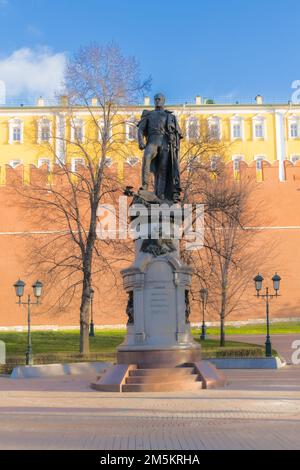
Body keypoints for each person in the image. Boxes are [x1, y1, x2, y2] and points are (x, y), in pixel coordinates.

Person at [137, 93, 183, 202]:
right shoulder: (149, 114)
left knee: (163, 168)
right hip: (152, 141)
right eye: (156, 99)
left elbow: (178, 133)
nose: (157, 101)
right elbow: (140, 130)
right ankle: (144, 186)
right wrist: (140, 141)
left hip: (165, 143)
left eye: (159, 99)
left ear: (163, 101)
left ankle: (161, 193)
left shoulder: (169, 116)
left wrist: (173, 137)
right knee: (146, 158)